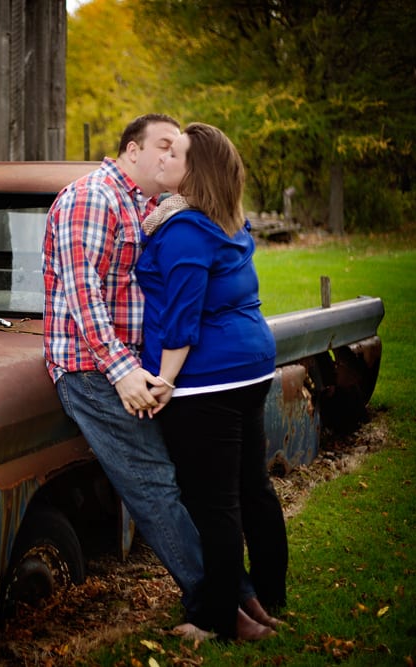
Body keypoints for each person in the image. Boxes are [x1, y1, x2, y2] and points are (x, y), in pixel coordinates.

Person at [42, 113, 209, 634]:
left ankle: (229, 591)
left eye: (176, 147)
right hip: (91, 371)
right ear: (131, 151)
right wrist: (123, 374)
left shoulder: (147, 208)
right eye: (163, 144)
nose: (171, 154)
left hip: (134, 366)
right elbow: (82, 295)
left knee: (180, 478)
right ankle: (216, 602)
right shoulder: (93, 197)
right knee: (154, 485)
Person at [137, 122, 289, 640]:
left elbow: (182, 319)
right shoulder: (227, 221)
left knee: (215, 502)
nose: (167, 159)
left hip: (209, 380)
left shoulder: (184, 231)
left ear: (195, 169)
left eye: (176, 153)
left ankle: (216, 617)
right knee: (254, 488)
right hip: (252, 365)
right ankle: (270, 594)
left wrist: (164, 381)